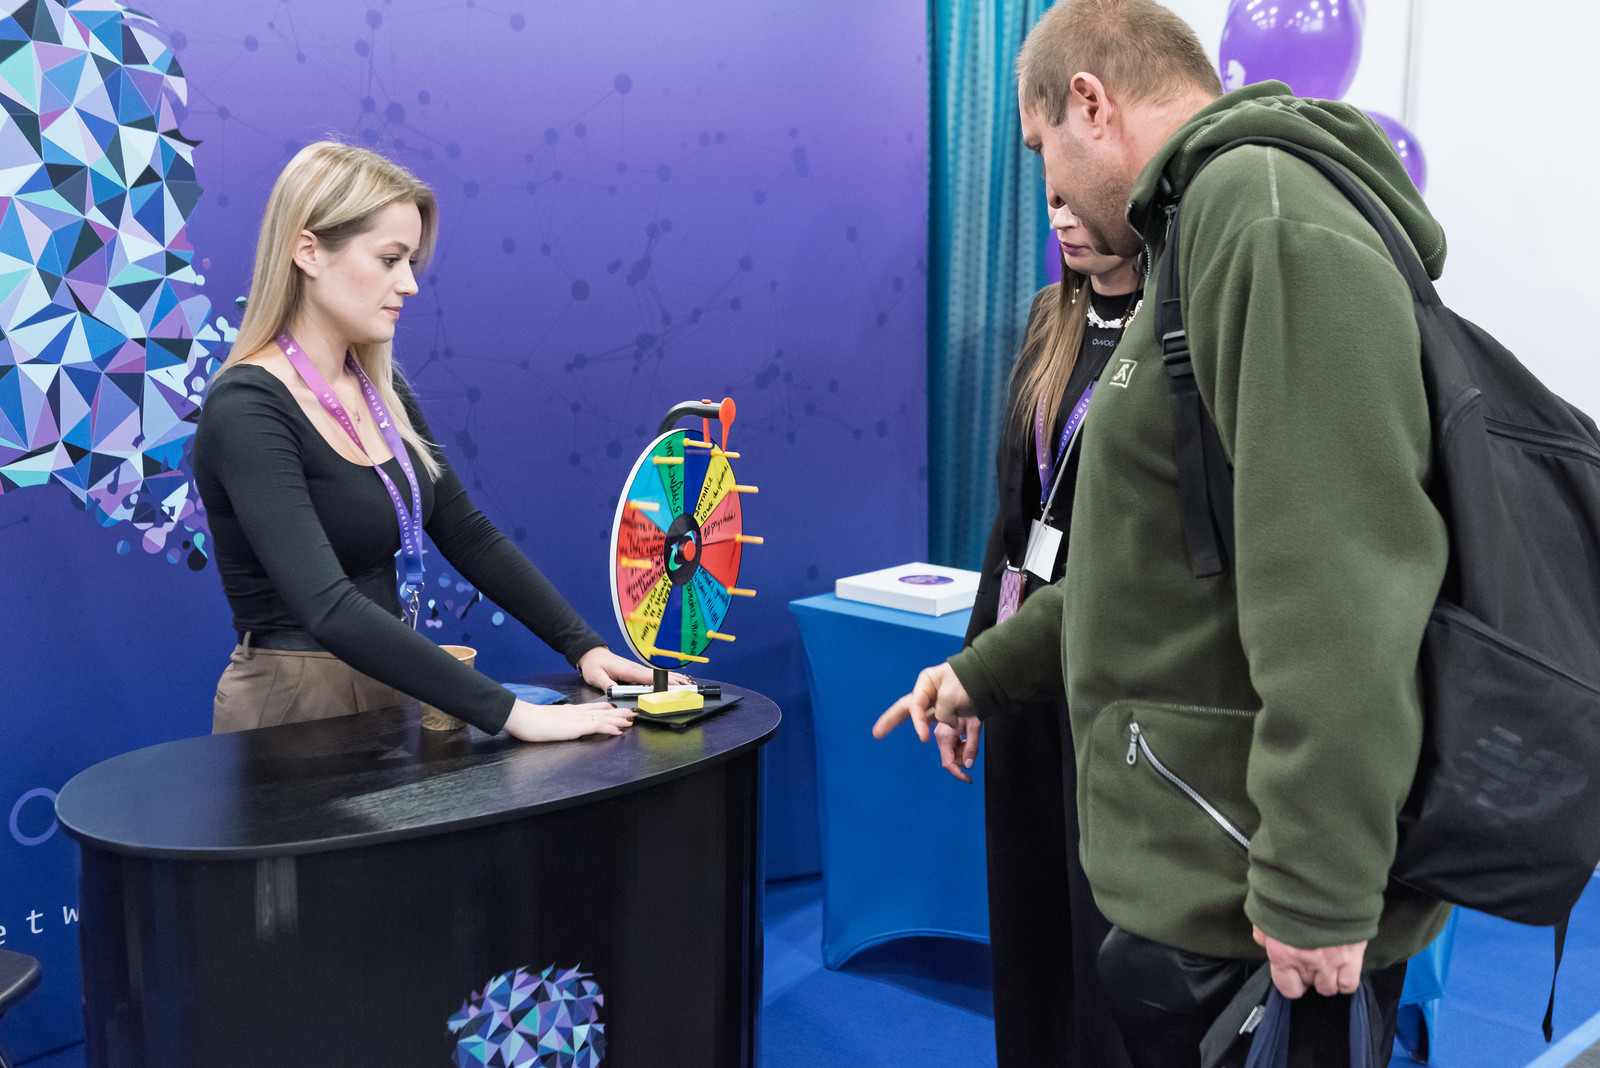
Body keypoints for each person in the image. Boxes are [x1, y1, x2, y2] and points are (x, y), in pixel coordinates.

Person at [876, 1, 1451, 1064]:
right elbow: (1142, 562)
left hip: (1258, 899)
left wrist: (1318, 879)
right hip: (1198, 860)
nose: (1049, 190)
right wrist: (985, 670)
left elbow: (1343, 577)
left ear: (1089, 103)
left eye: (1044, 150)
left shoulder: (1260, 213)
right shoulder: (1201, 226)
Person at [194, 141, 659, 741]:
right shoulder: (247, 408)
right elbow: (327, 605)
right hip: (293, 708)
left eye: (411, 262)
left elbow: (465, 532)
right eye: (389, 259)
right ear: (308, 251)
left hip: (391, 682)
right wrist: (513, 714)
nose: (409, 284)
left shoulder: (381, 390)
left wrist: (583, 647)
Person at [905, 200, 1139, 1067]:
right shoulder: (1053, 316)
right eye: (1050, 199)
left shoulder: (1174, 325)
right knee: (1027, 919)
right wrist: (977, 669)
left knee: (1100, 939)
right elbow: (1013, 518)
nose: (1060, 216)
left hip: (1109, 670)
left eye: (1075, 197)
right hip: (1019, 663)